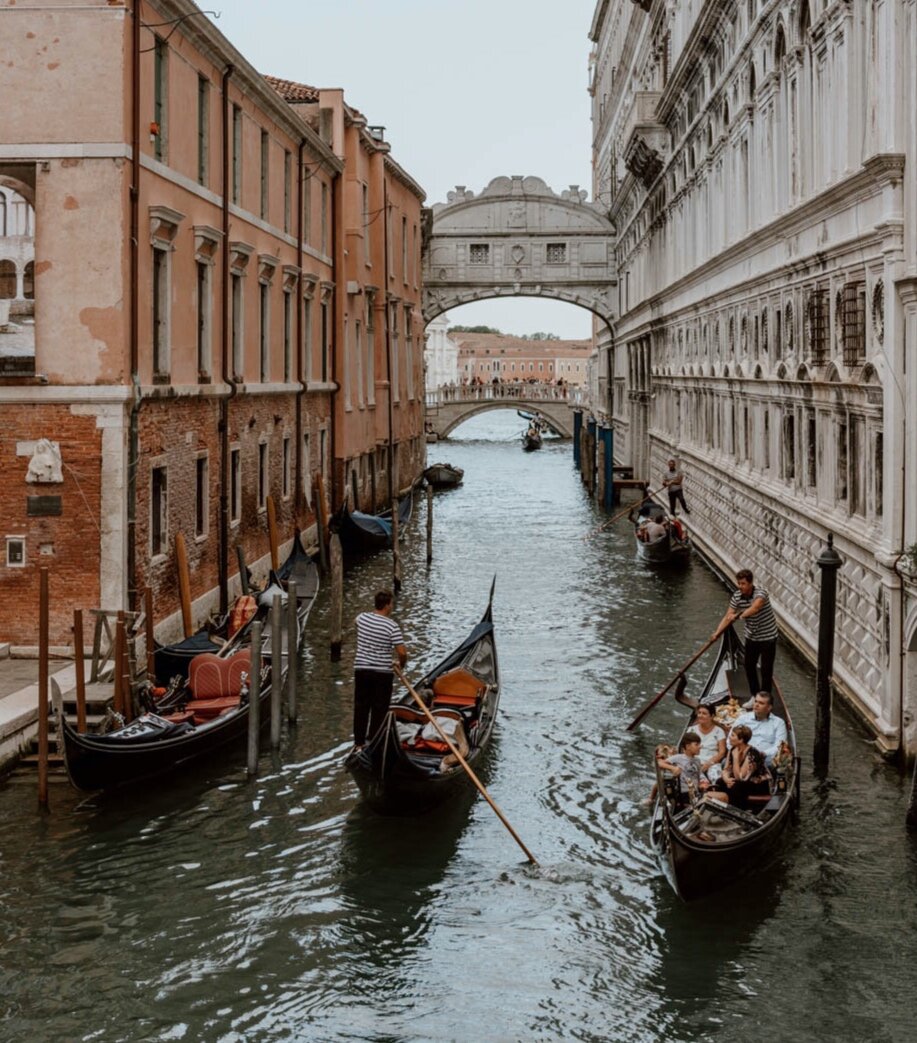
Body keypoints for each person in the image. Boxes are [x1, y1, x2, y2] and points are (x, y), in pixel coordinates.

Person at [352, 589, 408, 749]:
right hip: (382, 674)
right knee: (379, 709)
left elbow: (356, 623)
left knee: (361, 707)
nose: (392, 606)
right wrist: (400, 664)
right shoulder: (392, 627)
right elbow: (402, 652)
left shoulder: (362, 618)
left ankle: (359, 744)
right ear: (387, 605)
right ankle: (374, 742)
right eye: (392, 603)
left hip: (361, 670)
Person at [711, 568, 780, 695]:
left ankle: (765, 697)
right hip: (751, 637)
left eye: (743, 584)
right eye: (739, 583)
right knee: (749, 666)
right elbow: (728, 616)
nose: (740, 586)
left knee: (766, 669)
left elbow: (755, 608)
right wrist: (717, 633)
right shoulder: (737, 596)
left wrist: (738, 616)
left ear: (750, 583)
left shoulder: (761, 594)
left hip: (768, 637)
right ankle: (754, 695)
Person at [713, 724, 771, 809]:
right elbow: (726, 769)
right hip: (742, 781)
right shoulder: (733, 749)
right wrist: (726, 779)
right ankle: (721, 808)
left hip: (757, 783)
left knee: (737, 786)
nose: (729, 737)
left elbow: (740, 777)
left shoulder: (752, 754)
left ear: (741, 740)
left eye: (732, 735)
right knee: (720, 782)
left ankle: (737, 810)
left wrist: (736, 758)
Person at [733, 691, 787, 767]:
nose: (756, 705)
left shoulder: (779, 723)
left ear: (769, 707)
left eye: (761, 703)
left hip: (766, 762)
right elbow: (730, 740)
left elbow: (779, 747)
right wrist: (739, 753)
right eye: (755, 701)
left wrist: (763, 754)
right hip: (742, 758)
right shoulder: (743, 719)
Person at [656, 732, 709, 804]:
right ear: (687, 746)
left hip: (696, 792)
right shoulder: (679, 758)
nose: (700, 746)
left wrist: (703, 781)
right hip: (685, 794)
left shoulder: (697, 760)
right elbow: (659, 762)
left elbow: (699, 773)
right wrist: (673, 768)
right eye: (696, 744)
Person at [693, 704, 728, 781]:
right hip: (694, 762)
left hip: (712, 763)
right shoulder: (692, 730)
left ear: (712, 716)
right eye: (699, 713)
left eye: (704, 713)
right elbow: (686, 749)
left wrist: (708, 763)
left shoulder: (719, 731)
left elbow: (722, 752)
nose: (700, 715)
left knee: (716, 779)